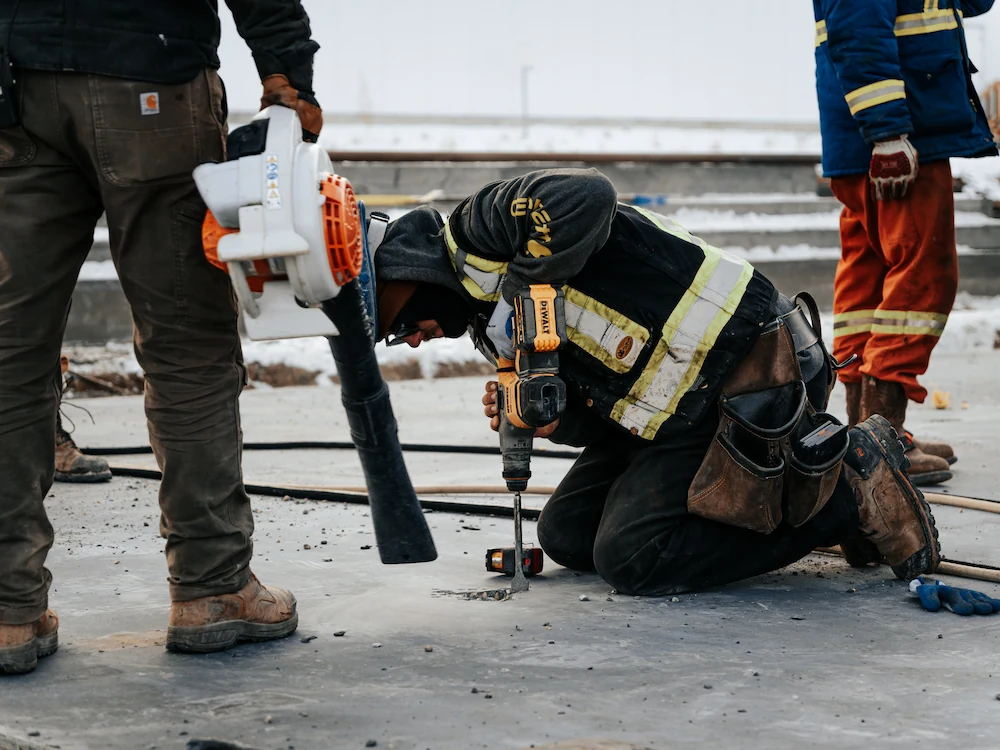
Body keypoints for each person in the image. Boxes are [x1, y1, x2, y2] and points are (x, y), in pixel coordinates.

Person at [372, 167, 941, 596]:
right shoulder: (485, 323)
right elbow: (596, 421)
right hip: (671, 408)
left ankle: (847, 491)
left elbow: (586, 194)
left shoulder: (478, 228)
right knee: (566, 535)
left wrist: (525, 307)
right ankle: (793, 497)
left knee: (633, 558)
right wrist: (550, 415)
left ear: (401, 272)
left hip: (748, 368)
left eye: (398, 326)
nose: (412, 340)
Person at [0, 1, 322, 675]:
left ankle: (8, 610)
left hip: (17, 86)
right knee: (187, 346)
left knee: (9, 352)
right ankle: (213, 587)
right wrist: (287, 70)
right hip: (151, 76)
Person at [813, 0, 997, 485]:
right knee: (922, 278)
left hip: (874, 137)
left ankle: (864, 432)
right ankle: (882, 437)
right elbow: (858, 31)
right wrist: (887, 131)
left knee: (869, 281)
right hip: (898, 136)